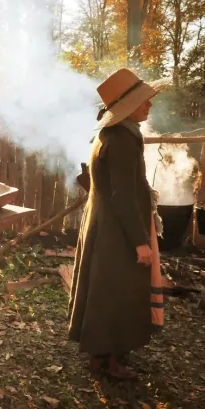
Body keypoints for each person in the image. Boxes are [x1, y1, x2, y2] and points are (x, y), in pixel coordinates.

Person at [67, 68, 164, 380]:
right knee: (117, 292)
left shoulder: (112, 134)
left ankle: (100, 355)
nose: (149, 104)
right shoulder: (121, 139)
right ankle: (110, 361)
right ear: (125, 106)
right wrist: (139, 241)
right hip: (117, 231)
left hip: (106, 225)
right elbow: (123, 196)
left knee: (103, 289)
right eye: (142, 100)